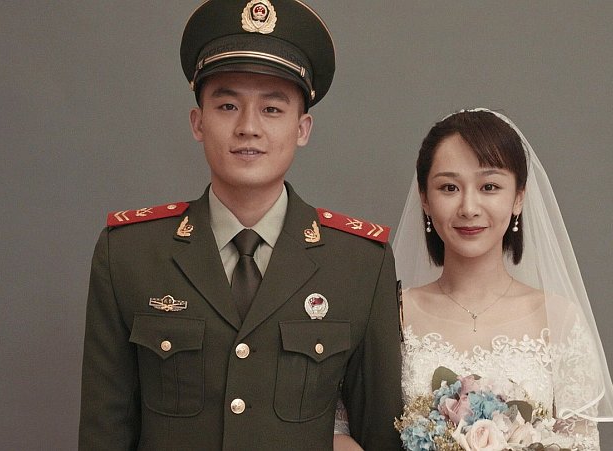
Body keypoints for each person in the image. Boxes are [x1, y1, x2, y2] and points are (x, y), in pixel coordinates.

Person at [78, 1, 403, 449]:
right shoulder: (130, 253)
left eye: (272, 109)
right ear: (198, 122)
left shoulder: (359, 263)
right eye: (228, 105)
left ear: (303, 128)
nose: (248, 127)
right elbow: (104, 430)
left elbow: (382, 436)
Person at [336, 109, 613, 450]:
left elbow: (581, 444)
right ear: (425, 199)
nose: (468, 208)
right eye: (449, 187)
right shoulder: (385, 313)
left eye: (489, 187)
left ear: (518, 197)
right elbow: (338, 429)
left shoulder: (559, 320)